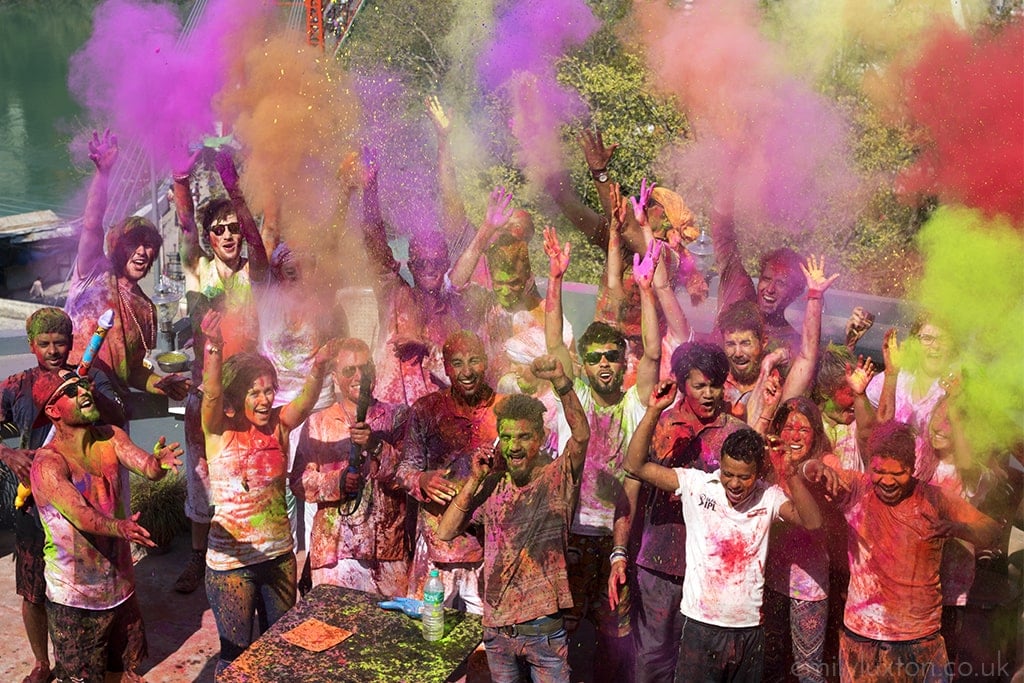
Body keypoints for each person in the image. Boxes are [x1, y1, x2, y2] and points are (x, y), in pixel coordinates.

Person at [624, 386, 824, 683]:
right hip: (700, 627)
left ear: (758, 473)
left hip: (748, 631)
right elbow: (635, 465)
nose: (734, 483)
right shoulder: (698, 486)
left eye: (744, 477)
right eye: (728, 473)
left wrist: (790, 472)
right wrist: (653, 410)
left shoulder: (769, 496)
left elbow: (812, 522)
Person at [544, 227, 665, 682]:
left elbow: (653, 353)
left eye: (612, 357)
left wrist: (648, 291)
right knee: (566, 636)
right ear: (585, 362)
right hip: (570, 535)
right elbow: (555, 344)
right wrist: (556, 279)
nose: (604, 366)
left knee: (616, 638)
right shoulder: (573, 394)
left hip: (619, 538)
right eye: (594, 358)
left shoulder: (635, 403)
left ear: (622, 359)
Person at [806, 421, 999, 682]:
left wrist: (956, 528)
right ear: (871, 464)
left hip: (920, 641)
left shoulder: (934, 498)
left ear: (912, 467)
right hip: (863, 639)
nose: (886, 481)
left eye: (898, 473)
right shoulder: (857, 488)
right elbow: (815, 473)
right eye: (879, 471)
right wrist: (813, 467)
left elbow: (992, 530)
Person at [436, 356, 590, 683]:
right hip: (497, 633)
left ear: (539, 437)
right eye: (506, 438)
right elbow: (446, 531)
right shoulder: (491, 485)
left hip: (544, 634)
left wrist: (562, 384)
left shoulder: (557, 477)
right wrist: (474, 481)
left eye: (522, 437)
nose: (513, 446)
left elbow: (580, 436)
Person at [198, 311, 336, 674]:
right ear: (236, 397)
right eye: (253, 392)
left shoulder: (279, 426)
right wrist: (213, 346)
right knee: (236, 657)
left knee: (282, 650)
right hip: (231, 566)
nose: (263, 400)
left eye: (268, 390)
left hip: (277, 557)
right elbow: (210, 395)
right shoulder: (218, 433)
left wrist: (319, 366)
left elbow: (305, 401)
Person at [29, 372, 183, 682]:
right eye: (71, 390)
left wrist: (158, 464)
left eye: (84, 384)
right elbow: (81, 515)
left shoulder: (111, 437)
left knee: (120, 673)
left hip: (121, 590)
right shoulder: (47, 464)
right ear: (53, 410)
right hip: (76, 600)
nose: (84, 391)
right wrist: (121, 528)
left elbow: (146, 466)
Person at [0, 308, 124, 683]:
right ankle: (42, 662)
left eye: (61, 343)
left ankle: (97, 660)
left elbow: (116, 413)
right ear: (31, 344)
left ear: (72, 344)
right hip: (33, 506)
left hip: (86, 501)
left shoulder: (89, 376)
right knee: (34, 589)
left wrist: (83, 390)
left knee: (93, 585)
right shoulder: (17, 385)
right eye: (45, 344)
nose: (53, 351)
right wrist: (8, 453)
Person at [171, 148, 269, 594]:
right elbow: (186, 230)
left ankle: (252, 558)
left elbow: (257, 237)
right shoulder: (200, 272)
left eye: (234, 229)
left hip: (247, 397)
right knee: (199, 477)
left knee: (247, 477)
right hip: (204, 392)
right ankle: (197, 559)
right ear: (210, 238)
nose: (229, 236)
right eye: (220, 230)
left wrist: (234, 189)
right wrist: (179, 180)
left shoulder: (255, 273)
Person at [622, 342, 746, 683]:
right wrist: (653, 412)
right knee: (650, 659)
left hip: (710, 571)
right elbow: (632, 470)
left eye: (715, 385)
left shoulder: (736, 434)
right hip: (661, 563)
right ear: (681, 383)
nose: (708, 394)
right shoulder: (662, 425)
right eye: (699, 385)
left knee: (698, 665)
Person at [64, 129, 190, 407]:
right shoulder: (94, 274)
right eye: (135, 244)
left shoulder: (147, 310)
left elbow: (133, 372)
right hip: (69, 398)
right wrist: (103, 175)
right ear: (117, 246)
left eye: (149, 246)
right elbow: (91, 224)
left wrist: (161, 385)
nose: (143, 252)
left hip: (111, 410)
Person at [291, 338, 411, 595]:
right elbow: (299, 482)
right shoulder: (318, 423)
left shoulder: (398, 417)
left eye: (365, 368)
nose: (359, 376)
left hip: (387, 552)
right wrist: (336, 481)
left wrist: (377, 445)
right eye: (349, 370)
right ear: (335, 377)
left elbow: (410, 475)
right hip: (336, 553)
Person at [395, 330, 502, 614]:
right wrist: (422, 479)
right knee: (426, 639)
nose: (466, 372)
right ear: (445, 367)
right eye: (457, 363)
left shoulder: (503, 411)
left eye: (474, 360)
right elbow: (404, 469)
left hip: (487, 553)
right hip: (435, 550)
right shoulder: (427, 409)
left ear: (486, 362)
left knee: (483, 646)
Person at [450, 188, 574, 382]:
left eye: (520, 237)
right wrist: (486, 228)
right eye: (505, 232)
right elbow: (454, 286)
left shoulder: (543, 313)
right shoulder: (483, 301)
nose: (511, 240)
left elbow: (568, 369)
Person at [760, 398, 836, 683]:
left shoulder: (824, 462)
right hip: (770, 581)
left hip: (808, 586)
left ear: (816, 434)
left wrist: (812, 469)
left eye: (803, 430)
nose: (794, 436)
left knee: (808, 670)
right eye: (789, 427)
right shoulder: (771, 462)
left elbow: (818, 469)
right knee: (770, 663)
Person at [710, 193, 806, 351]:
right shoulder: (739, 294)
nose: (769, 289)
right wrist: (727, 181)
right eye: (766, 279)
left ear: (795, 292)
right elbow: (723, 238)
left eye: (781, 283)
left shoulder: (793, 345)